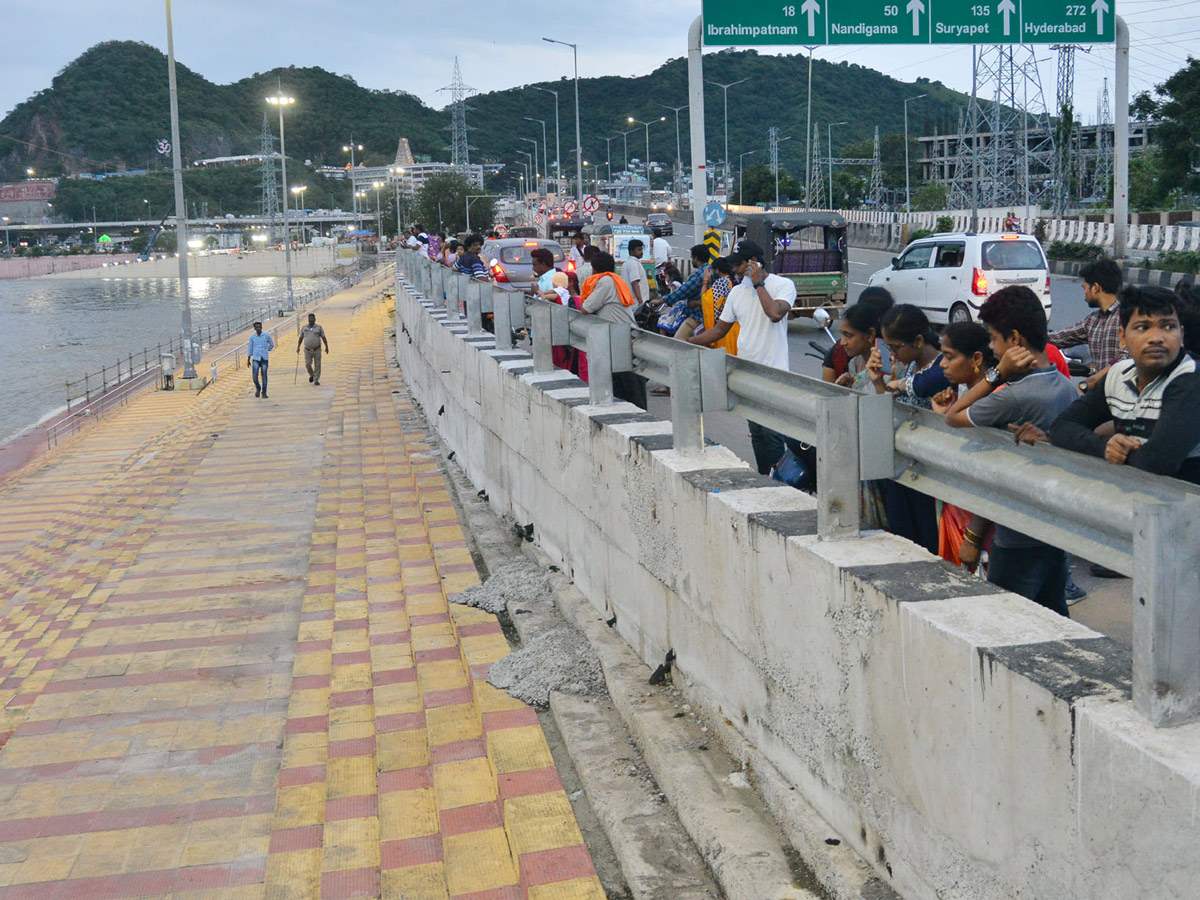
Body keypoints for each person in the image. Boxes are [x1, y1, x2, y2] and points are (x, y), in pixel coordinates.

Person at [944, 286, 1079, 617]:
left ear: (1014, 340)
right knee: (1053, 615)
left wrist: (997, 374)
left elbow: (953, 416)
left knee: (1005, 621)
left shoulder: (1013, 394)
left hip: (1017, 532)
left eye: (993, 339)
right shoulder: (1064, 385)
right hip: (1055, 528)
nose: (991, 346)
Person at [1049, 285, 1200, 485]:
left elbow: (1158, 461)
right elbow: (1061, 427)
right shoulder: (1119, 375)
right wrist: (1105, 447)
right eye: (1143, 327)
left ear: (1181, 334)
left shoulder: (1191, 379)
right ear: (1123, 337)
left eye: (1168, 327)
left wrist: (1117, 452)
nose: (1156, 338)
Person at [687, 241, 800, 475]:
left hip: (773, 374)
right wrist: (688, 343)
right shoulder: (737, 292)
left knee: (772, 435)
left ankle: (779, 483)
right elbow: (719, 330)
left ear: (754, 263)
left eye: (739, 264)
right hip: (747, 373)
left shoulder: (782, 285)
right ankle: (764, 478)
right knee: (757, 433)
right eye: (734, 264)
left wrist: (759, 283)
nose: (735, 270)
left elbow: (775, 314)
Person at [868, 304, 947, 553]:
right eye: (888, 346)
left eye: (896, 346)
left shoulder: (943, 366)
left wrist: (898, 384)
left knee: (930, 545)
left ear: (919, 340)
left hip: (930, 474)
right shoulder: (909, 365)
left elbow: (922, 387)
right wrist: (879, 382)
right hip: (904, 468)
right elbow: (896, 410)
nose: (891, 353)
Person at [930, 323, 997, 569]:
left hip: (980, 525)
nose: (942, 365)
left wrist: (973, 537)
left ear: (976, 358)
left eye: (949, 357)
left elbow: (994, 475)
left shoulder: (991, 403)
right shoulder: (965, 398)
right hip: (960, 510)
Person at [578, 251, 645, 408]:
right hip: (622, 335)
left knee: (628, 384)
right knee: (624, 383)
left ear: (594, 269)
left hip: (620, 338)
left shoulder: (606, 281)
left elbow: (586, 308)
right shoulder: (615, 279)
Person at [1047, 258, 1126, 388]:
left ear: (1095, 288)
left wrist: (1090, 382)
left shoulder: (1127, 317)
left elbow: (1126, 359)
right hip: (1099, 395)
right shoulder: (1093, 321)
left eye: (1085, 288)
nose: (1085, 294)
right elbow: (1059, 338)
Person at [655, 245, 712, 341]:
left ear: (696, 258)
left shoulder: (699, 274)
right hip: (709, 315)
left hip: (697, 317)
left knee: (677, 343)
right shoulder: (711, 270)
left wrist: (662, 300)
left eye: (692, 258)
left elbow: (683, 291)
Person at [699, 256, 738, 356]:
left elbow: (706, 301)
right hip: (736, 328)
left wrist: (705, 280)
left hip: (724, 330)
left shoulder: (721, 282)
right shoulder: (734, 281)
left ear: (717, 270)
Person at [246, 320, 275, 399]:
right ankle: (258, 387)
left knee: (264, 375)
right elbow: (250, 348)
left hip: (264, 358)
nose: (258, 328)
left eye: (259, 327)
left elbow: (271, 344)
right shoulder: (252, 337)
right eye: (257, 327)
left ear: (262, 327)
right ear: (255, 329)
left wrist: (267, 349)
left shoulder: (266, 336)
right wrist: (248, 359)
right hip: (256, 358)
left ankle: (264, 392)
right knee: (255, 376)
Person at [621, 240, 647, 308]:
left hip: (631, 302)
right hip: (636, 303)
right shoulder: (633, 263)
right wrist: (640, 302)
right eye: (638, 250)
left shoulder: (626, 263)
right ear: (631, 251)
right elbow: (634, 283)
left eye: (641, 249)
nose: (641, 252)